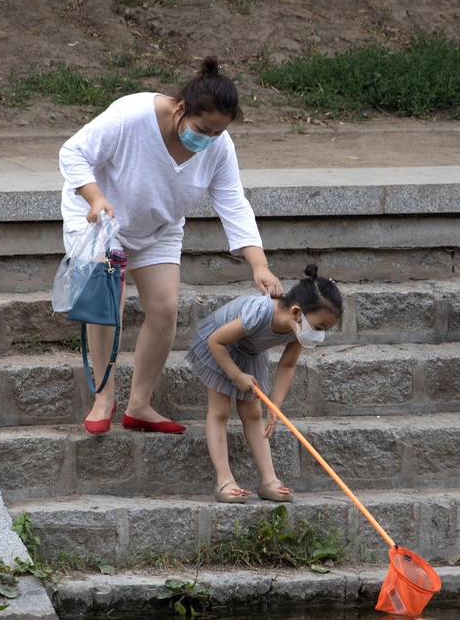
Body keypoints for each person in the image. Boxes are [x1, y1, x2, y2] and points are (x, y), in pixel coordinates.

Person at [59, 55, 283, 436]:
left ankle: (139, 405)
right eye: (202, 129)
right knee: (105, 302)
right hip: (102, 221)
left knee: (164, 308)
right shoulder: (132, 115)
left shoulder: (217, 146)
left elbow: (232, 201)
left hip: (159, 228)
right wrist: (95, 197)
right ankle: (103, 397)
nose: (207, 140)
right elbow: (73, 152)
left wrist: (258, 264)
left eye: (217, 133)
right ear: (180, 108)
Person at [186, 264, 343, 503]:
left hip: (249, 352)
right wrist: (237, 376)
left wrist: (275, 406)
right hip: (220, 345)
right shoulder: (259, 313)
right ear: (296, 312)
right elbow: (215, 341)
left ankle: (268, 480)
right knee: (219, 411)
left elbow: (287, 365)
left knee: (253, 413)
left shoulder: (299, 329)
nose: (320, 335)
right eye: (320, 327)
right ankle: (224, 480)